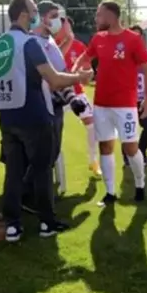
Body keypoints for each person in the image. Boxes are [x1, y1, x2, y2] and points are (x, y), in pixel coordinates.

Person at [0, 0, 92, 242]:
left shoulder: (1, 42)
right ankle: (46, 223)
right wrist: (79, 79)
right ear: (23, 14)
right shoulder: (29, 43)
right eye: (33, 10)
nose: (35, 15)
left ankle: (13, 226)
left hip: (7, 117)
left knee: (13, 172)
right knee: (43, 171)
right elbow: (53, 78)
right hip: (34, 115)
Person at [74, 1, 147, 206]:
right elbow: (85, 56)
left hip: (125, 106)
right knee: (106, 147)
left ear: (111, 16)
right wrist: (77, 70)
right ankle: (110, 193)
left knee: (131, 148)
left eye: (99, 15)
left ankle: (140, 183)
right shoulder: (98, 39)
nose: (96, 19)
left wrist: (146, 99)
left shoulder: (133, 39)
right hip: (101, 104)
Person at [56, 16, 100, 176]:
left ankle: (93, 160)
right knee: (54, 130)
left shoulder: (79, 46)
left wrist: (84, 74)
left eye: (65, 25)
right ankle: (53, 165)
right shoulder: (51, 44)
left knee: (92, 125)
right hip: (57, 93)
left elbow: (88, 70)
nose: (63, 29)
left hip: (76, 92)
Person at [122, 24, 147, 169]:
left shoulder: (146, 53)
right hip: (127, 99)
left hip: (143, 97)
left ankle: (142, 152)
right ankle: (128, 156)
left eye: (138, 35)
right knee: (129, 130)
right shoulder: (123, 53)